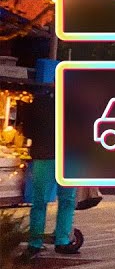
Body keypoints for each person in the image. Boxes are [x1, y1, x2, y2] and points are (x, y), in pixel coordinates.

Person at [19, 91, 78, 256]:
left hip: (44, 156)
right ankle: (62, 241)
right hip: (68, 157)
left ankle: (35, 242)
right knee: (67, 200)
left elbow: (28, 130)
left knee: (40, 201)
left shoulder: (40, 101)